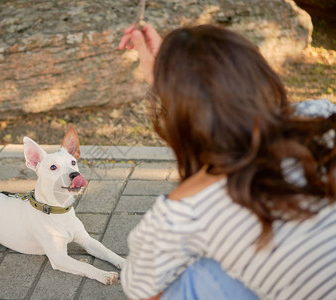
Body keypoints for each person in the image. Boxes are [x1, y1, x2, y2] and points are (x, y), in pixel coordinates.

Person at [118, 23, 336, 300]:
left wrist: (172, 87)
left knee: (198, 275)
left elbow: (141, 290)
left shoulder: (184, 211)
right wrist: (171, 74)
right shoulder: (321, 116)